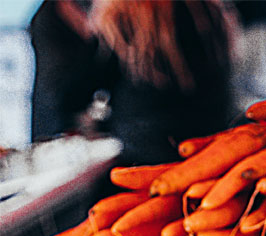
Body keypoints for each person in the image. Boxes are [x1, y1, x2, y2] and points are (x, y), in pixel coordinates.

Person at [29, 0, 237, 165]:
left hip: (149, 157)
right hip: (215, 146)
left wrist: (91, 41)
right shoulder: (205, 10)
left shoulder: (124, 18)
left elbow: (72, 96)